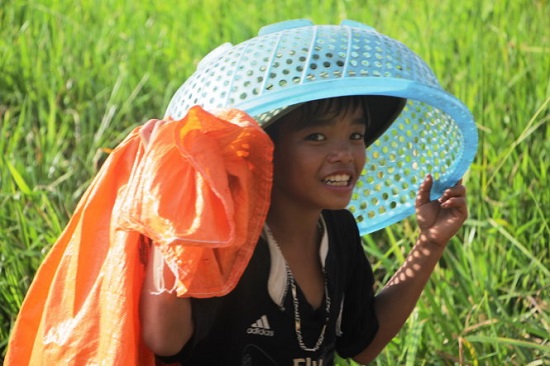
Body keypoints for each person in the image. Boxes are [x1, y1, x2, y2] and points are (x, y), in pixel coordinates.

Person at [139, 95, 468, 364]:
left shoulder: (339, 231)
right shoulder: (225, 236)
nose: (344, 154)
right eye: (317, 137)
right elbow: (165, 339)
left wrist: (431, 242)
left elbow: (363, 344)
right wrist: (171, 201)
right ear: (267, 149)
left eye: (355, 135)